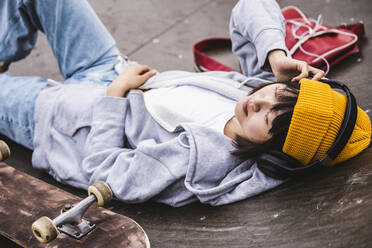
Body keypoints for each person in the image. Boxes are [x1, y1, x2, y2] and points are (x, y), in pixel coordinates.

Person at [0, 0, 370, 207]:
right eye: (279, 96)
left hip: (58, 118)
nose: (259, 104)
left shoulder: (203, 164)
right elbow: (249, 8)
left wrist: (114, 97)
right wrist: (275, 55)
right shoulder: (251, 90)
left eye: (274, 120)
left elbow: (105, 170)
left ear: (276, 152)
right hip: (108, 67)